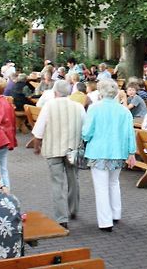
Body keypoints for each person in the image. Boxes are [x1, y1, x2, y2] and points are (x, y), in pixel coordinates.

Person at [82, 80, 136, 232]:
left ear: (100, 92)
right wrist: (131, 152)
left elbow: (87, 132)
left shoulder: (94, 108)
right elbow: (129, 134)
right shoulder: (124, 111)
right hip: (118, 151)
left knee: (101, 187)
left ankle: (105, 221)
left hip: (98, 151)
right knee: (114, 182)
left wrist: (85, 138)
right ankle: (115, 213)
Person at [32, 80, 86, 228]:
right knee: (73, 179)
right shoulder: (79, 107)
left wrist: (37, 147)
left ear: (55, 92)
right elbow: (85, 128)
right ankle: (73, 209)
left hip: (53, 149)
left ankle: (62, 218)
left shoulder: (49, 105)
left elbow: (39, 130)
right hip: (72, 150)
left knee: (57, 183)